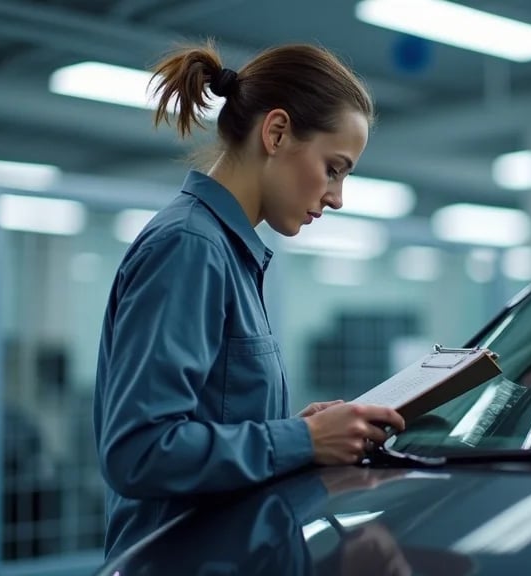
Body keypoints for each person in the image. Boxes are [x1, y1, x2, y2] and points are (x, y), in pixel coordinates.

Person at [92, 40, 405, 560]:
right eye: (334, 168)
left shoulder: (226, 251)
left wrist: (303, 430)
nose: (337, 197)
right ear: (277, 132)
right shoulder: (190, 247)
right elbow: (138, 451)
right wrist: (302, 442)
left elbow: (211, 419)